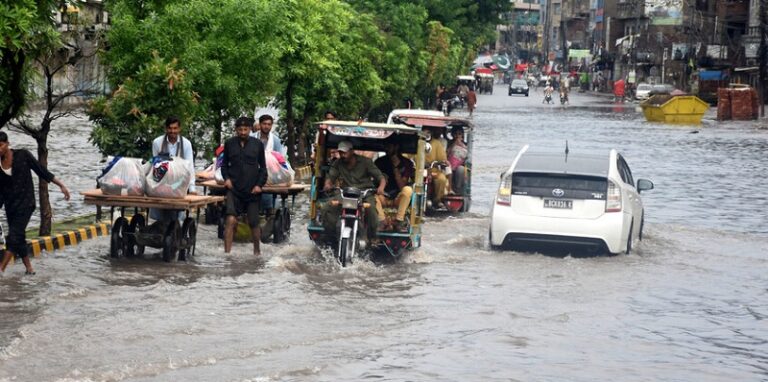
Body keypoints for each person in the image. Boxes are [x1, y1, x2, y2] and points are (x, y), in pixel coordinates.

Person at [0, 132, 70, 275]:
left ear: (7, 144)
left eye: (0, 145)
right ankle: (29, 269)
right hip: (10, 206)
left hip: (26, 203)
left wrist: (61, 185)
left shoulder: (23, 155)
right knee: (19, 237)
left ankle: (1, 269)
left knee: (13, 236)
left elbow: (42, 171)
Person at [221, 117, 267, 255]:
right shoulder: (229, 143)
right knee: (230, 219)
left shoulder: (257, 144)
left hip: (252, 190)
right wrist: (226, 179)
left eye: (245, 129)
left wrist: (259, 185)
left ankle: (257, 252)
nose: (242, 132)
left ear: (250, 129)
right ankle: (227, 254)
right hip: (233, 189)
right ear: (236, 130)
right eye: (240, 129)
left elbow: (263, 168)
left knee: (253, 222)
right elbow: (224, 165)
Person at [322, 140, 386, 240]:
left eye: (345, 152)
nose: (342, 155)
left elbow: (380, 178)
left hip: (364, 193)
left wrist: (381, 188)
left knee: (372, 211)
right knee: (327, 208)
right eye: (340, 153)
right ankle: (331, 235)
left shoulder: (366, 162)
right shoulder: (337, 163)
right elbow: (331, 177)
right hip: (345, 193)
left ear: (352, 151)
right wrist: (327, 185)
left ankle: (372, 237)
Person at [150, 116, 196, 222]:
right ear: (166, 129)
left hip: (179, 183)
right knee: (161, 214)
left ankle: (175, 227)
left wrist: (192, 188)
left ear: (179, 129)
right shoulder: (157, 142)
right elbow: (155, 165)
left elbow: (189, 167)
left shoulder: (186, 144)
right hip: (162, 183)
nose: (172, 131)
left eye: (175, 128)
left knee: (176, 215)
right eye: (170, 128)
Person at [251, 114, 285, 241]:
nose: (266, 126)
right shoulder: (251, 138)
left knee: (269, 199)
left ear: (271, 126)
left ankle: (269, 218)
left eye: (269, 124)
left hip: (270, 175)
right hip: (252, 174)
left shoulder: (275, 140)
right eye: (264, 124)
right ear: (260, 125)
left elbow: (280, 158)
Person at [374, 142, 415, 232]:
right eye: (386, 146)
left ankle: (399, 220)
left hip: (398, 198)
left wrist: (396, 167)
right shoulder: (379, 162)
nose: (386, 148)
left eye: (389, 146)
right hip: (383, 197)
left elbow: (402, 186)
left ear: (396, 147)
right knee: (372, 195)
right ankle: (382, 221)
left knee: (408, 190)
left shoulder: (406, 163)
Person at [423, 127, 448, 209]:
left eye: (428, 132)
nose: (426, 134)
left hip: (433, 171)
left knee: (442, 179)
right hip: (419, 170)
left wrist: (442, 162)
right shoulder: (417, 142)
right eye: (424, 132)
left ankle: (437, 199)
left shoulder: (437, 143)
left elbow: (442, 158)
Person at [447, 126, 469, 195]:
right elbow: (446, 153)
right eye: (455, 134)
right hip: (448, 164)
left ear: (462, 135)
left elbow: (467, 157)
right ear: (452, 134)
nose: (457, 136)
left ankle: (457, 190)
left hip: (459, 166)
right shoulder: (449, 143)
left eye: (459, 134)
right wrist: (454, 144)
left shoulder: (466, 145)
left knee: (461, 169)